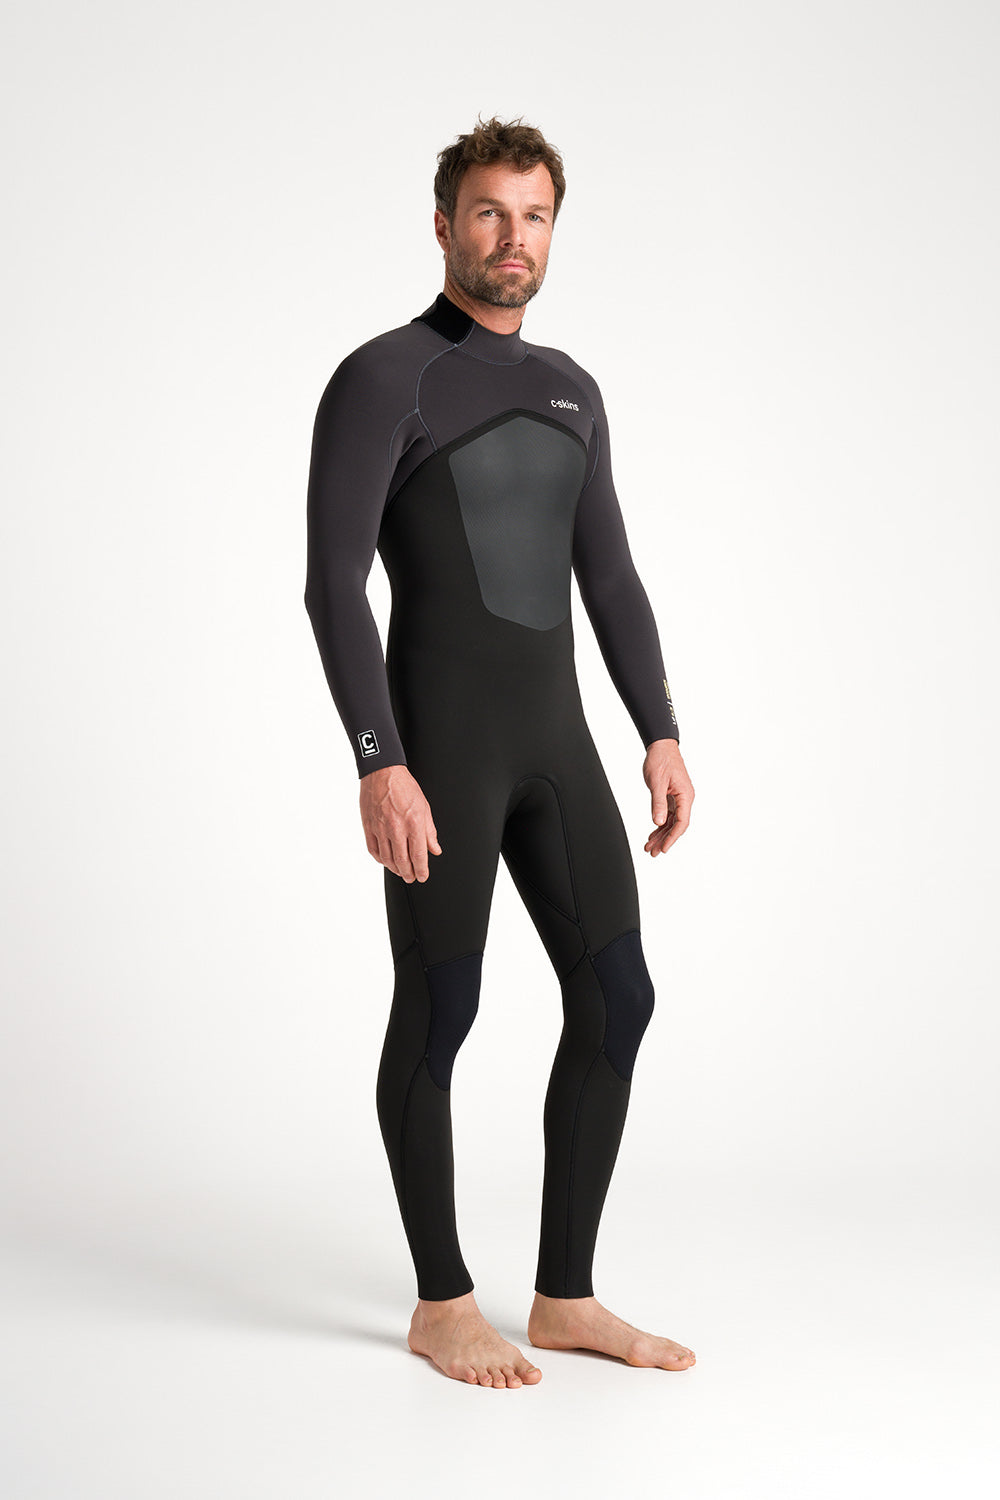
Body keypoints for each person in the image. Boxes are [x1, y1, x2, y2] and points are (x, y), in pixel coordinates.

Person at [304, 116, 696, 1388]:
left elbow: (610, 575)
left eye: (532, 215)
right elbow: (331, 583)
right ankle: (442, 1303)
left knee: (619, 996)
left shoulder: (574, 387)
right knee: (442, 1008)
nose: (510, 237)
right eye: (487, 211)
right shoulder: (386, 377)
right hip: (441, 753)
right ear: (443, 225)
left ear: (551, 231)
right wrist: (379, 760)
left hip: (555, 743)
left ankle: (566, 1296)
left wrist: (660, 731)